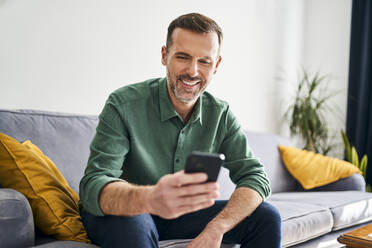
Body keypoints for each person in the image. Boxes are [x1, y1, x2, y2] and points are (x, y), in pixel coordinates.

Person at [79, 13, 281, 248]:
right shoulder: (123, 104)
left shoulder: (221, 115)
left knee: (267, 217)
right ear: (165, 55)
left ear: (216, 65)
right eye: (183, 57)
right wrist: (151, 198)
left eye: (204, 61)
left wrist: (216, 228)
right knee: (134, 222)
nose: (193, 71)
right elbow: (93, 183)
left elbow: (255, 177)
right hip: (125, 210)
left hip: (181, 216)